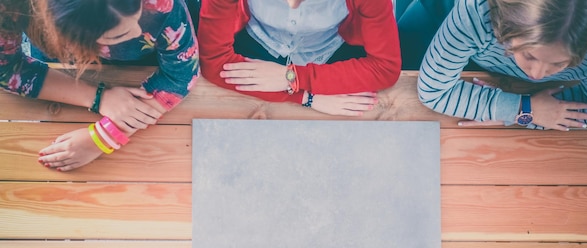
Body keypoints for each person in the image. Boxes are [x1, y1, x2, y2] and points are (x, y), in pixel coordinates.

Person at [0, 0, 199, 171]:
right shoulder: (9, 7)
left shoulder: (161, 5)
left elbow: (181, 73)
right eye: (117, 36)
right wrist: (97, 96)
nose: (139, 31)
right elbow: (7, 71)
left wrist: (103, 137)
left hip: (140, 67)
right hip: (59, 67)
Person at [417, 0, 587, 130]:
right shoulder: (477, 11)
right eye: (530, 56)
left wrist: (517, 115)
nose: (538, 74)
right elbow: (433, 90)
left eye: (559, 63)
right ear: (507, 28)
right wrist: (522, 109)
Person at [197, 0, 402, 117]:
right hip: (256, 43)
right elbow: (214, 62)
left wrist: (293, 78)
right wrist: (306, 96)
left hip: (332, 50)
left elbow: (385, 68)